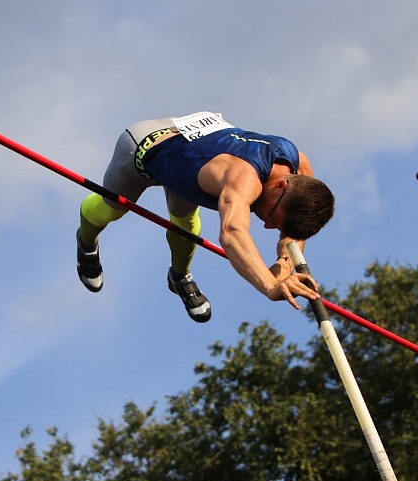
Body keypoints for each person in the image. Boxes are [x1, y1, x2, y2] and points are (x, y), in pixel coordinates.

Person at [76, 111, 334, 323]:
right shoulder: (242, 178)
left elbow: (293, 237)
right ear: (281, 187)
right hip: (143, 149)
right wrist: (270, 285)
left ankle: (179, 277)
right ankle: (86, 245)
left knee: (186, 226)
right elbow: (233, 233)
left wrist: (286, 263)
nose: (266, 224)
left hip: (192, 154)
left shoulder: (298, 165)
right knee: (110, 209)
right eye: (272, 218)